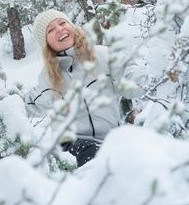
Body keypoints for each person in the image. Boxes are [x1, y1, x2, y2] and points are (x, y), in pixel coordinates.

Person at [25, 9, 144, 167]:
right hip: (71, 148)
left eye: (62, 23)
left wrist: (159, 74)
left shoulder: (103, 56)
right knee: (92, 158)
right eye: (51, 30)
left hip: (109, 142)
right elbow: (27, 104)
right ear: (47, 44)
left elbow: (132, 78)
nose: (59, 29)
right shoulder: (49, 78)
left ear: (72, 27)